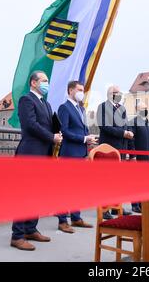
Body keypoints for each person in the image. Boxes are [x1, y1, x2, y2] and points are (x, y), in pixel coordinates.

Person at [11, 71, 63, 251]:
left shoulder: (46, 104)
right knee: (24, 193)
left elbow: (49, 125)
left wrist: (57, 133)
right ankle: (17, 235)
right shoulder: (26, 100)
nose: (46, 84)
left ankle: (30, 228)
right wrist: (52, 137)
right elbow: (30, 125)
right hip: (30, 153)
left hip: (44, 154)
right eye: (44, 81)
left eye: (47, 81)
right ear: (33, 83)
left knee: (37, 193)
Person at [55, 81, 96, 234]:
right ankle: (62, 221)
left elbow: (82, 129)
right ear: (70, 90)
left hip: (81, 153)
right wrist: (84, 139)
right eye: (79, 89)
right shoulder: (64, 108)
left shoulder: (81, 108)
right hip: (69, 153)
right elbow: (64, 131)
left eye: (83, 90)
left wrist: (88, 138)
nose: (81, 92)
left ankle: (76, 217)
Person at [97, 86, 134, 219]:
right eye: (117, 92)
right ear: (110, 94)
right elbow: (105, 127)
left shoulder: (122, 108)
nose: (119, 94)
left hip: (121, 150)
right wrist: (124, 133)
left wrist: (129, 132)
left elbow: (126, 125)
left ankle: (116, 207)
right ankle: (104, 208)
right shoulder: (103, 107)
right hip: (108, 149)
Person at [128, 102, 149, 213]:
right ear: (137, 110)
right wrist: (133, 155)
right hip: (139, 158)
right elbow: (130, 140)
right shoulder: (133, 123)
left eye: (146, 108)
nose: (144, 110)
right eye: (142, 108)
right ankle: (135, 204)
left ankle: (144, 203)